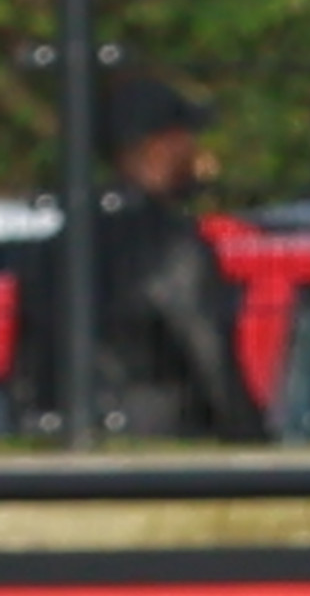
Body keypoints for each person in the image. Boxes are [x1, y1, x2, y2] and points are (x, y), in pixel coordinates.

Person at [5, 74, 269, 443]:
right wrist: (257, 446)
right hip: (159, 443)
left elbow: (24, 372)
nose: (196, 152)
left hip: (62, 444)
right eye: (186, 137)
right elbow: (211, 357)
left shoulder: (57, 247)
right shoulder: (169, 245)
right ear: (159, 145)